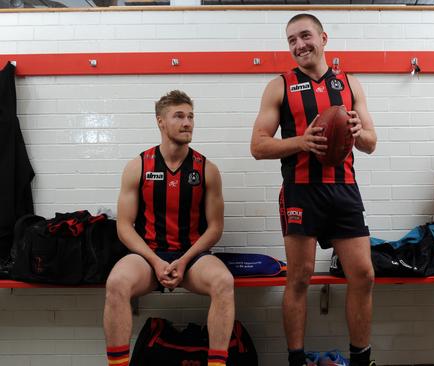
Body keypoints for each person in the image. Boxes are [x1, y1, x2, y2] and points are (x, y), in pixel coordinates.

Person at [250, 13, 377, 366]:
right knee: (300, 278)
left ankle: (361, 359)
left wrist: (356, 130)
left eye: (305, 36)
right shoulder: (280, 85)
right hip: (301, 192)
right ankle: (296, 360)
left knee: (363, 274)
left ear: (323, 38)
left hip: (344, 189)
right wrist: (301, 142)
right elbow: (258, 146)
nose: (299, 45)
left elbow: (371, 142)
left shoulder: (350, 84)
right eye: (291, 40)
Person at [103, 90, 234, 366]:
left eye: (190, 116)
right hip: (149, 257)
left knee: (224, 282)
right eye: (179, 116)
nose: (187, 123)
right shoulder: (137, 166)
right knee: (116, 282)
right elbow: (124, 227)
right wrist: (156, 261)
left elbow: (215, 228)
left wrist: (184, 260)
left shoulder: (206, 169)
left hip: (193, 257)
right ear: (160, 122)